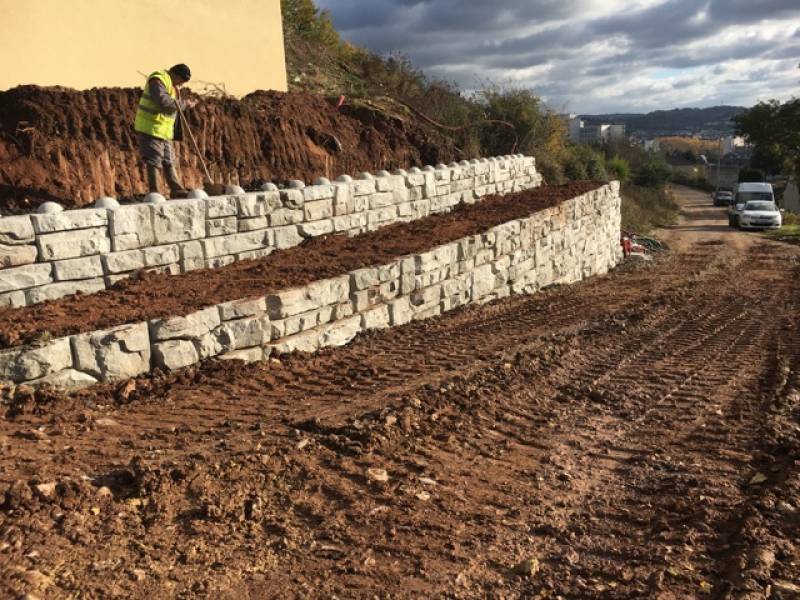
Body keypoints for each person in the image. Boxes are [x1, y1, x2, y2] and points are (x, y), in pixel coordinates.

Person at [133, 63, 197, 197]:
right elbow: (163, 102)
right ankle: (155, 192)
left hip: (163, 130)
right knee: (154, 159)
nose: (182, 84)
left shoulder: (173, 85)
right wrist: (185, 104)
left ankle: (176, 190)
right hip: (150, 127)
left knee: (169, 159)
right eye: (182, 80)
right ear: (176, 75)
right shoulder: (158, 80)